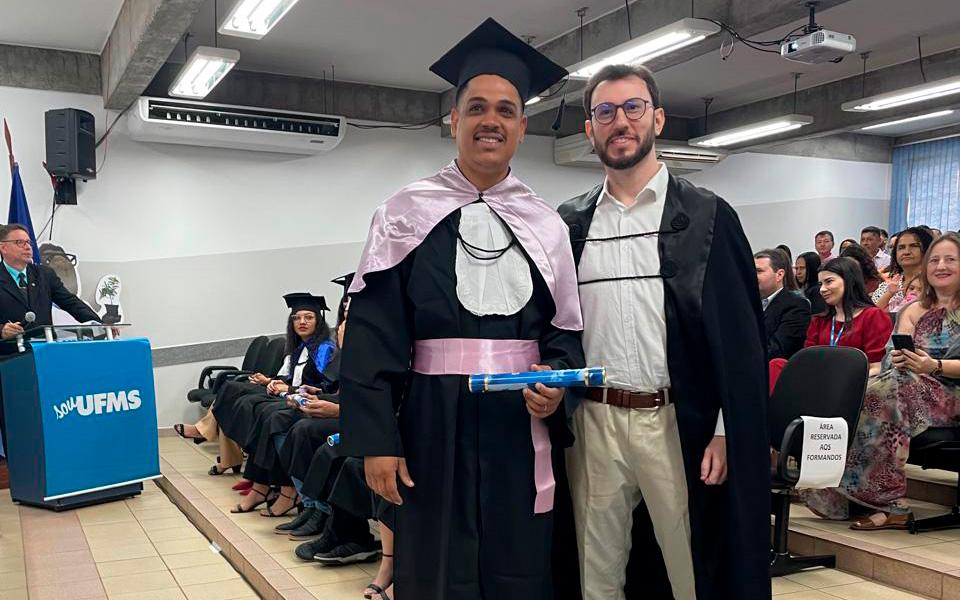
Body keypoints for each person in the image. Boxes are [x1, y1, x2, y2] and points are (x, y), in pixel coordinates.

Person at [338, 18, 585, 600]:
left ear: (522, 127)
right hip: (432, 419)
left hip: (519, 423)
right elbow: (372, 335)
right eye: (476, 108)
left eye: (505, 110)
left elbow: (566, 334)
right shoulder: (403, 214)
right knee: (436, 565)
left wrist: (557, 386)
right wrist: (377, 439)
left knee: (519, 561)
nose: (490, 121)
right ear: (454, 121)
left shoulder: (547, 225)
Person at [558, 63, 770, 600]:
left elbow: (742, 341)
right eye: (605, 111)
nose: (620, 121)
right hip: (594, 423)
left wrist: (725, 428)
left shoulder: (708, 217)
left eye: (633, 108)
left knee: (693, 572)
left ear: (657, 118)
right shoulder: (571, 224)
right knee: (595, 576)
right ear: (589, 129)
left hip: (676, 421)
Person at [800, 234, 960, 530]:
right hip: (909, 385)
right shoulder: (913, 310)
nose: (940, 266)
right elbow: (889, 356)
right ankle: (848, 492)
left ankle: (888, 502)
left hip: (952, 391)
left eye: (950, 259)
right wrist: (900, 359)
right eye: (935, 260)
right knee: (865, 391)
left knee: (887, 392)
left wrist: (934, 365)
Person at [215, 293, 337, 515]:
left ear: (319, 321)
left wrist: (287, 389)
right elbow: (290, 378)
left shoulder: (325, 348)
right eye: (296, 318)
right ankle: (262, 485)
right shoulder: (299, 347)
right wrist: (273, 383)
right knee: (242, 395)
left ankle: (277, 489)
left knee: (268, 414)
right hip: (291, 396)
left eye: (308, 317)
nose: (302, 322)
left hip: (311, 402)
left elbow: (324, 387)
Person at [0, 223, 100, 455]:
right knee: (17, 420)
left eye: (28, 242)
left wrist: (96, 322)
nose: (27, 247)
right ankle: (18, 461)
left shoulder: (44, 274)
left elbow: (70, 302)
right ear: (3, 248)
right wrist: (1, 330)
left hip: (45, 358)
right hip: (9, 362)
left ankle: (55, 456)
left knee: (50, 413)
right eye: (20, 242)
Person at [756, 249, 811, 360]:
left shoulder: (796, 305)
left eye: (759, 271)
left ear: (779, 275)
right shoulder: (748, 303)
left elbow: (778, 350)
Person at [875, 227, 934, 311]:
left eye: (914, 246)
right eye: (901, 247)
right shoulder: (886, 286)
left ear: (927, 249)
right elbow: (873, 314)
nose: (906, 252)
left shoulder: (935, 283)